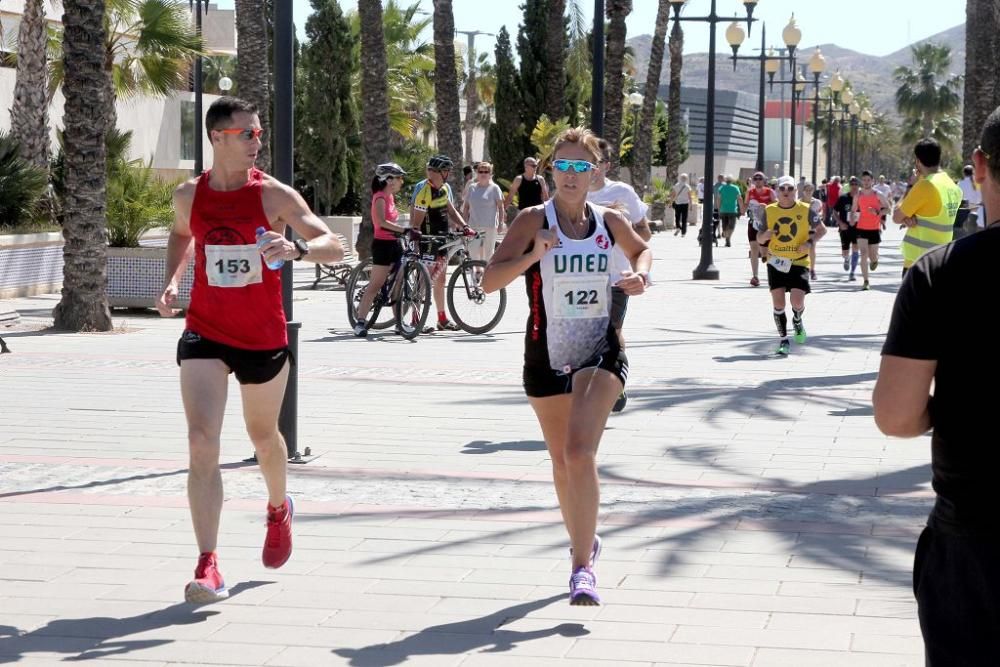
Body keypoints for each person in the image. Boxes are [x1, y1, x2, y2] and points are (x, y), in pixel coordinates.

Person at [155, 96, 344, 603]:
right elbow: (180, 237)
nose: (258, 141)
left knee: (264, 439)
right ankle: (208, 563)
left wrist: (298, 249)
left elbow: (335, 243)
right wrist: (172, 280)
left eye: (260, 133)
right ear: (218, 138)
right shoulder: (188, 196)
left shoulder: (274, 196)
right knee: (201, 441)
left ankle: (279, 506)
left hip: (263, 336)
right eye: (249, 135)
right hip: (205, 331)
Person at [482, 127, 651, 606]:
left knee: (579, 454)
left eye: (582, 167)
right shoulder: (533, 219)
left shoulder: (610, 220)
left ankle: (582, 569)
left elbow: (641, 250)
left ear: (596, 173)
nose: (571, 175)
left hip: (600, 347)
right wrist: (533, 254)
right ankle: (585, 538)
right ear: (551, 168)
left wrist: (642, 273)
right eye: (563, 165)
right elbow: (490, 281)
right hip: (546, 351)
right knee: (561, 462)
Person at [873, 106, 1000, 666]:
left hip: (978, 540)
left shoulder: (939, 274)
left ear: (980, 165)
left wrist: (945, 408)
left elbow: (896, 416)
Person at [587, 140, 653, 413]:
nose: (592, 169)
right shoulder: (570, 193)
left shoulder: (621, 191)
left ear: (607, 165)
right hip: (577, 278)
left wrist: (619, 233)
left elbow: (644, 234)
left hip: (615, 277)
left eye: (597, 163)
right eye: (586, 162)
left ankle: (616, 384)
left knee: (612, 331)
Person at [756, 175, 825, 356]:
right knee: (778, 304)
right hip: (776, 261)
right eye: (782, 189)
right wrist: (765, 236)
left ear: (796, 191)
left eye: (790, 189)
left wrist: (809, 244)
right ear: (777, 191)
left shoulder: (806, 209)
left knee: (797, 301)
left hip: (799, 261)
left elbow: (822, 230)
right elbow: (759, 237)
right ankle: (783, 340)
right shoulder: (769, 211)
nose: (786, 192)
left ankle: (797, 318)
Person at [410, 154, 472, 331]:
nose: (448, 173)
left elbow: (452, 211)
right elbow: (416, 221)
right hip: (428, 240)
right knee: (424, 280)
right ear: (437, 172)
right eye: (446, 170)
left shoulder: (445, 189)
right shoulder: (424, 190)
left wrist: (465, 226)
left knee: (440, 279)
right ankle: (415, 320)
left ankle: (442, 318)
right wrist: (415, 236)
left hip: (442, 238)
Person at [353, 162, 413, 337]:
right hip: (382, 245)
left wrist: (405, 230)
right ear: (388, 180)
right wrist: (404, 230)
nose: (401, 181)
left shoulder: (391, 198)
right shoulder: (379, 197)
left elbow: (393, 221)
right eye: (399, 178)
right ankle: (360, 322)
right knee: (376, 284)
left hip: (395, 243)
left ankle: (399, 323)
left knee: (398, 284)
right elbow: (380, 223)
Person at [892, 139, 963, 277]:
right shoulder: (953, 186)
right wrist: (909, 216)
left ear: (918, 161)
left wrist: (910, 186)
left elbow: (896, 216)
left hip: (918, 263)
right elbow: (932, 213)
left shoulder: (925, 185)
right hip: (941, 260)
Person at [852, 170, 892, 291]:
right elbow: (854, 210)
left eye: (868, 180)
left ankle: (874, 260)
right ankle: (866, 281)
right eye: (864, 180)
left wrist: (878, 212)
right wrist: (852, 220)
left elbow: (888, 209)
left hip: (874, 228)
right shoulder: (858, 195)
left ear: (873, 181)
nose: (866, 182)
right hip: (861, 228)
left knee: (872, 257)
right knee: (863, 254)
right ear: (861, 181)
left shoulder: (878, 194)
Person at [461, 161, 506, 263]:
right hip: (474, 225)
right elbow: (466, 207)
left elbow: (500, 207)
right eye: (481, 171)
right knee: (472, 251)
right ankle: (477, 272)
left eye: (486, 172)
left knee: (489, 253)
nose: (483, 174)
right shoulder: (472, 187)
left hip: (490, 226)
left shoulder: (495, 188)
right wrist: (464, 224)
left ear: (490, 174)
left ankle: (486, 275)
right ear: (477, 173)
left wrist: (500, 223)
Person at [742, 171, 776, 286]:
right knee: (753, 249)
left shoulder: (769, 191)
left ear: (764, 180)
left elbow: (776, 206)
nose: (757, 180)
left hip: (766, 225)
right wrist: (741, 204)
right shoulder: (750, 192)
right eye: (755, 179)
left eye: (760, 178)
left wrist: (766, 207)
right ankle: (755, 276)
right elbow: (745, 206)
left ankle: (772, 273)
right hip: (753, 223)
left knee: (767, 251)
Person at [834, 176, 861, 280]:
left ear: (859, 186)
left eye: (856, 184)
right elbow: (834, 212)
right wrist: (840, 222)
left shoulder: (861, 199)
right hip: (844, 228)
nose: (854, 186)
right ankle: (846, 259)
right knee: (845, 252)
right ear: (849, 186)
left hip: (858, 228)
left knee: (855, 248)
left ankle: (852, 272)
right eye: (852, 184)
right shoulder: (843, 198)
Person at [798, 182, 825, 280]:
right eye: (807, 190)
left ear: (813, 191)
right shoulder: (798, 203)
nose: (808, 192)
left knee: (812, 247)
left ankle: (812, 270)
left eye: (810, 190)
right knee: (803, 250)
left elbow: (820, 213)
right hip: (802, 230)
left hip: (813, 229)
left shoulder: (817, 203)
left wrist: (819, 217)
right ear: (803, 191)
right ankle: (804, 268)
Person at [955, 164, 981, 240]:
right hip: (976, 212)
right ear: (973, 173)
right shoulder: (977, 184)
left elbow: (958, 198)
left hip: (964, 212)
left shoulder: (960, 183)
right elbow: (979, 198)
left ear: (964, 173)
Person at [717, 175, 742, 248]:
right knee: (732, 226)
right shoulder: (735, 188)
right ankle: (728, 238)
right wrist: (741, 208)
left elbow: (719, 199)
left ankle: (726, 236)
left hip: (723, 209)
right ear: (732, 180)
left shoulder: (721, 188)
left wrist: (719, 209)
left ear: (725, 180)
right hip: (732, 210)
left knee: (724, 225)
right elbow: (739, 198)